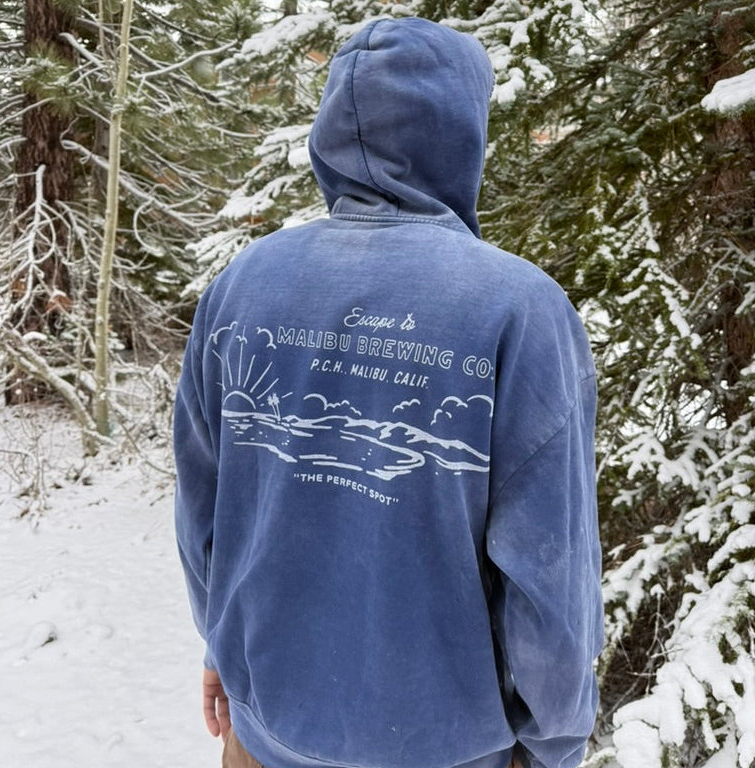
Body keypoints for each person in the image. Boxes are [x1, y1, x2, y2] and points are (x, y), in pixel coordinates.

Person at [174, 16, 603, 768]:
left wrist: (222, 647)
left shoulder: (244, 283)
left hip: (263, 737)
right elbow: (549, 571)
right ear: (462, 130)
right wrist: (555, 744)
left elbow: (203, 512)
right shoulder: (519, 308)